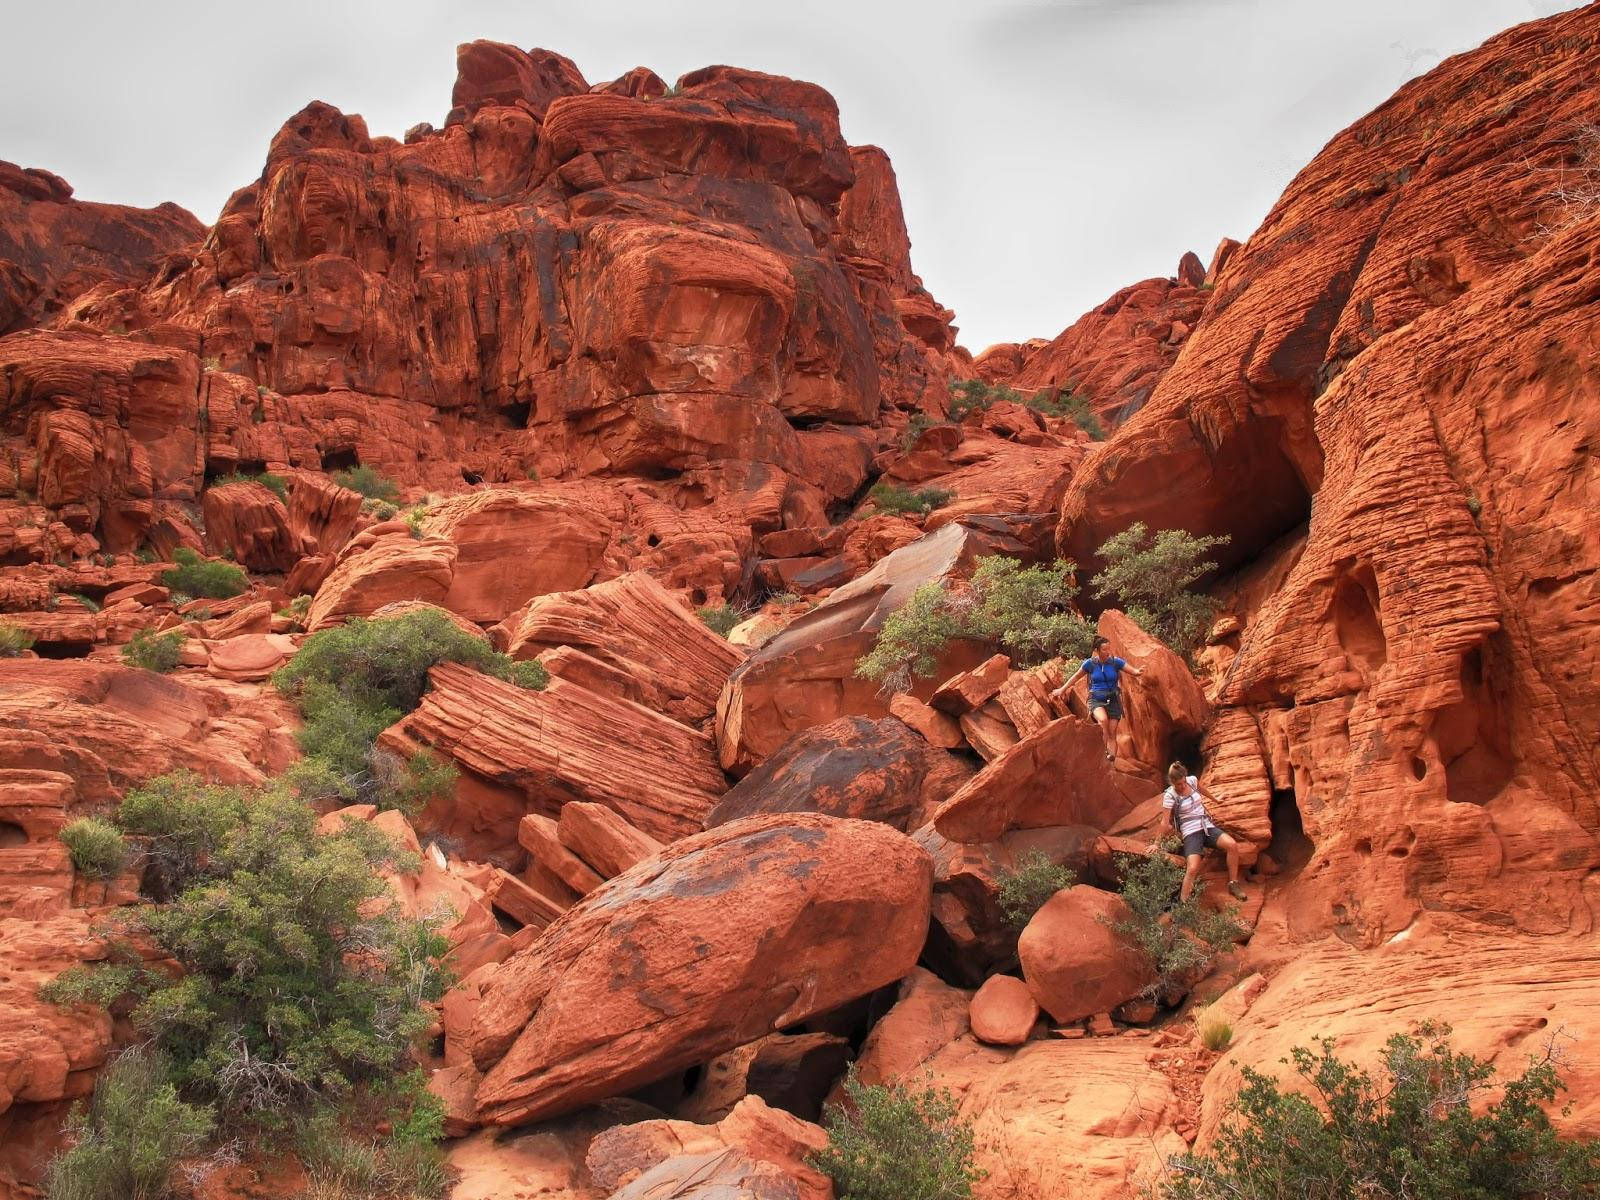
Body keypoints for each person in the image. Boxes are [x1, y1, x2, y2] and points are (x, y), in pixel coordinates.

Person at [1152, 761, 1248, 902]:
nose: (1182, 785)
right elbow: (1164, 823)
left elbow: (1202, 790)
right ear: (1172, 782)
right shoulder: (1170, 796)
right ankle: (1184, 905)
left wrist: (1217, 800)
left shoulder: (1192, 780)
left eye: (1183, 782)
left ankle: (1233, 884)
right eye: (1179, 784)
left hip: (1206, 826)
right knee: (1192, 867)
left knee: (1232, 845)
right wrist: (1156, 843)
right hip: (1190, 832)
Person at [1052, 636, 1143, 761]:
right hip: (1096, 698)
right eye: (1105, 649)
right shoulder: (1090, 664)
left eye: (1109, 649)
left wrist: (1138, 671)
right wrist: (1062, 689)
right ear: (1097, 650)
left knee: (1112, 733)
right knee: (1103, 720)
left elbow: (1132, 670)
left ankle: (1111, 762)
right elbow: (1075, 677)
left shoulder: (1116, 662)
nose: (1108, 652)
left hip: (1113, 699)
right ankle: (1101, 753)